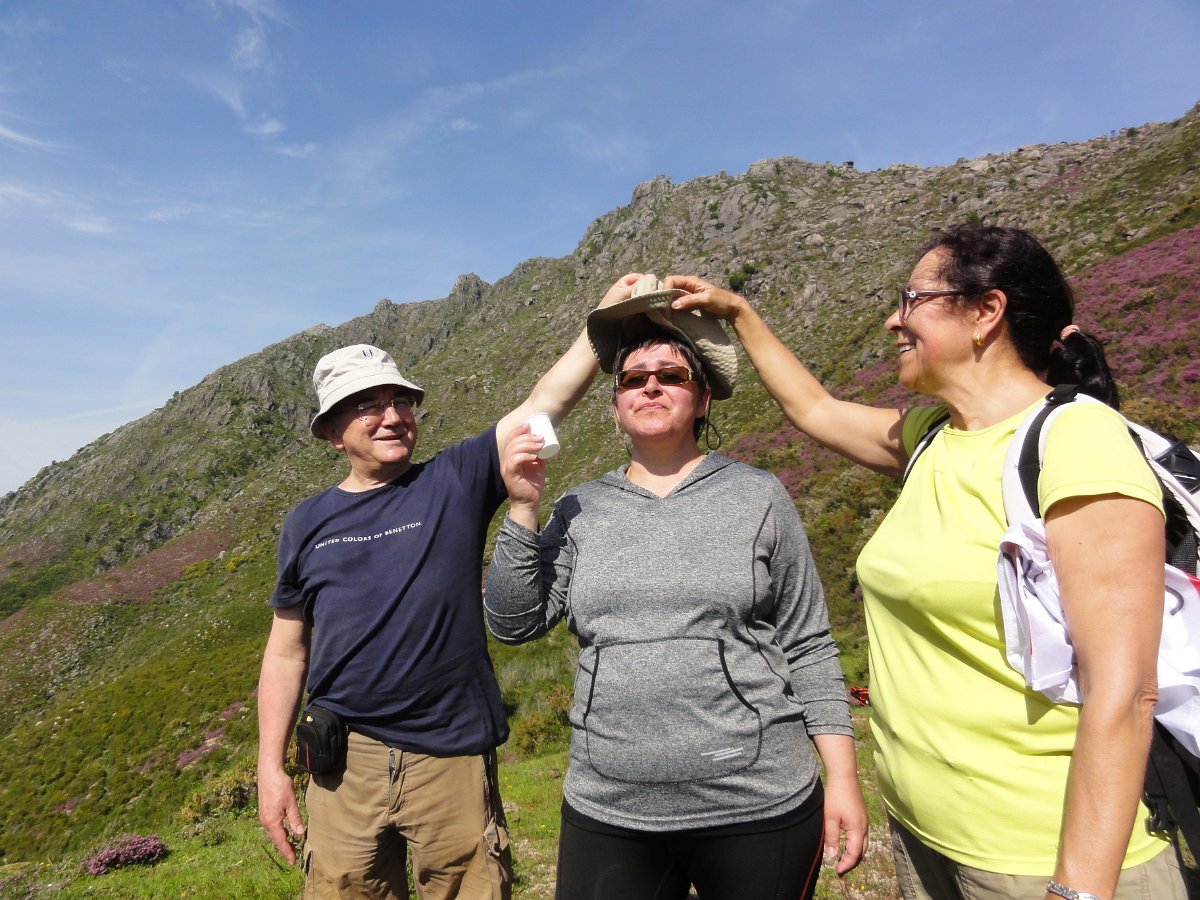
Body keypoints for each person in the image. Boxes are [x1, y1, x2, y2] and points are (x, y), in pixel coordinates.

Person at [665, 225, 1187, 899]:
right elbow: (815, 408)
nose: (893, 320)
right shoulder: (933, 439)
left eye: (912, 300)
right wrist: (739, 314)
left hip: (1038, 856)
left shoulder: (1079, 439)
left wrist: (1077, 889)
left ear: (985, 312)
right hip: (927, 836)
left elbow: (1126, 691)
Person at [256, 273, 645, 900]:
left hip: (451, 756)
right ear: (331, 431)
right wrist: (269, 767)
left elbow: (545, 403)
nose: (391, 416)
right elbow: (285, 650)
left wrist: (604, 321)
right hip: (343, 762)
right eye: (367, 405)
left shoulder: (454, 479)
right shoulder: (306, 522)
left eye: (400, 401)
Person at [484, 276, 867, 900]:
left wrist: (843, 779)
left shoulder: (758, 496)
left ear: (704, 398)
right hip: (610, 805)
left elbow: (809, 645)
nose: (651, 386)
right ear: (615, 406)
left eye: (671, 375)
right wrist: (524, 508)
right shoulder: (581, 507)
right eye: (633, 379)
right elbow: (513, 623)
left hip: (758, 800)